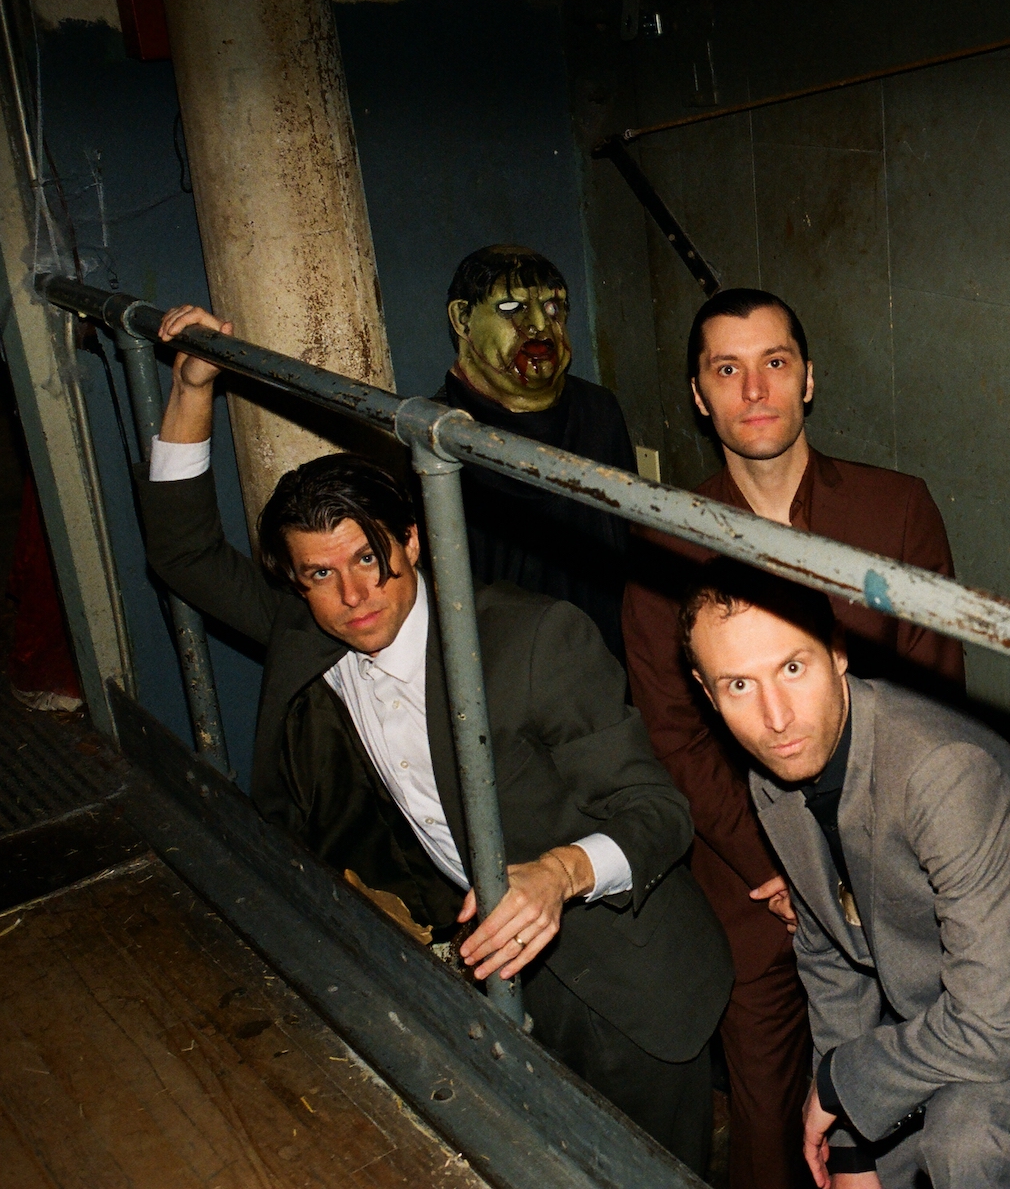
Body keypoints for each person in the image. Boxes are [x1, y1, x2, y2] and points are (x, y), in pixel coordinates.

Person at [137, 305, 732, 1170]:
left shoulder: (532, 640)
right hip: (485, 972)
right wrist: (195, 384)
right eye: (319, 575)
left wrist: (560, 874)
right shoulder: (311, 634)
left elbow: (658, 813)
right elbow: (182, 554)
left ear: (413, 539)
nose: (353, 596)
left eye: (368, 557)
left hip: (625, 978)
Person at [619, 288, 965, 1189]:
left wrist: (860, 856)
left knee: (922, 1107)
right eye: (726, 369)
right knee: (769, 1117)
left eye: (774, 363)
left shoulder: (896, 510)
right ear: (699, 396)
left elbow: (937, 695)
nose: (754, 390)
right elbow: (671, 726)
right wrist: (774, 860)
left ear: (808, 378)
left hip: (891, 855)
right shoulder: (665, 536)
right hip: (753, 871)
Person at [681, 564, 1010, 1189]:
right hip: (963, 1004)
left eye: (792, 667)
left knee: (966, 1137)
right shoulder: (775, 773)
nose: (776, 717)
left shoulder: (940, 772)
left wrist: (839, 1083)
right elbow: (830, 956)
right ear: (708, 694)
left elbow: (993, 1030)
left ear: (837, 652)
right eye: (739, 684)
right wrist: (850, 1150)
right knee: (871, 1162)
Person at [441, 245, 637, 659]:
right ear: (463, 319)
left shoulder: (598, 412)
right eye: (511, 308)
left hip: (605, 661)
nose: (538, 326)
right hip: (501, 670)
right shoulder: (435, 435)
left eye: (552, 307)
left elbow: (629, 552)